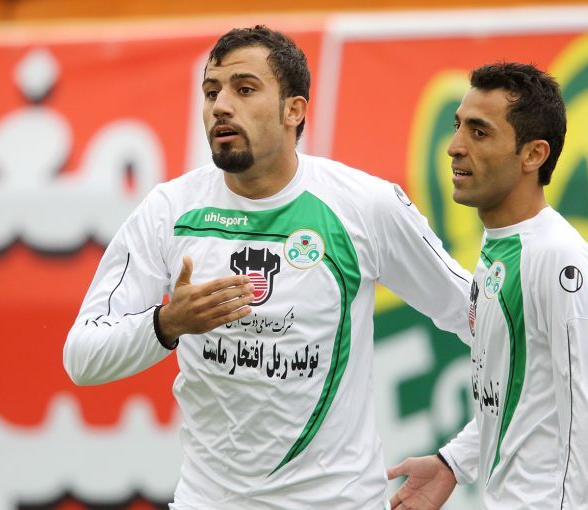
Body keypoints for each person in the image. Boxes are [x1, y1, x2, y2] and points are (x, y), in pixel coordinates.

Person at [63, 26, 473, 510]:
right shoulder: (169, 211)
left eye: (244, 89)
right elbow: (82, 358)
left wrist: (459, 459)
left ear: (293, 110)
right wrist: (168, 324)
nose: (220, 106)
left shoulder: (365, 206)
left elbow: (497, 328)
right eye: (211, 92)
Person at [388, 62, 588, 509]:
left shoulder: (559, 257)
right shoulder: (499, 246)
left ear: (533, 155)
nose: (454, 147)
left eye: (479, 132)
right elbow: (519, 397)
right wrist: (453, 462)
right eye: (457, 126)